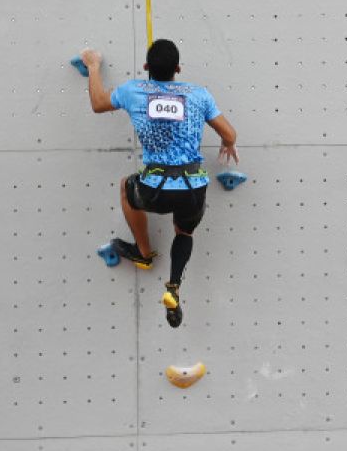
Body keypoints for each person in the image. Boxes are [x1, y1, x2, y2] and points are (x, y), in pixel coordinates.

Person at [80, 40, 239, 328]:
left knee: (126, 188)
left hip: (155, 190)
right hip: (192, 188)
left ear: (145, 67)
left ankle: (143, 251)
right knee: (184, 231)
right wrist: (228, 144)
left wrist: (93, 66)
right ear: (178, 69)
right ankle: (174, 286)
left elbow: (98, 103)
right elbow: (229, 133)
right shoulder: (198, 94)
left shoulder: (133, 91)